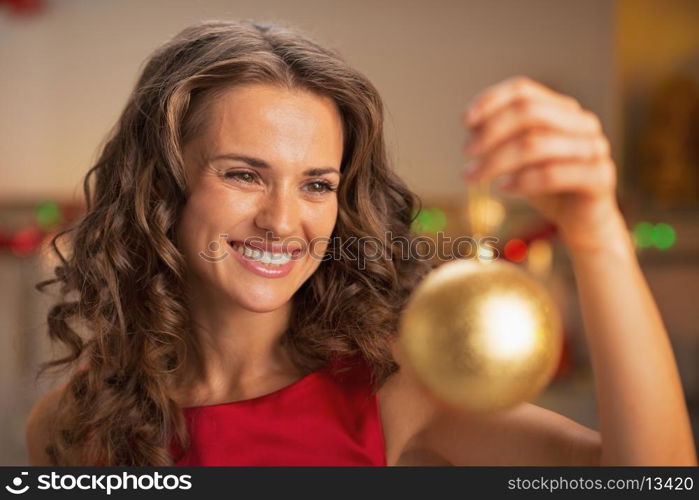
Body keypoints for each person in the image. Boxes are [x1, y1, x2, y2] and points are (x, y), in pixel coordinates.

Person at [25, 20, 696, 466]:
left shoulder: (391, 391)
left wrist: (595, 232)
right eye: (242, 174)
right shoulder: (72, 422)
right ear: (161, 188)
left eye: (316, 184)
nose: (283, 221)